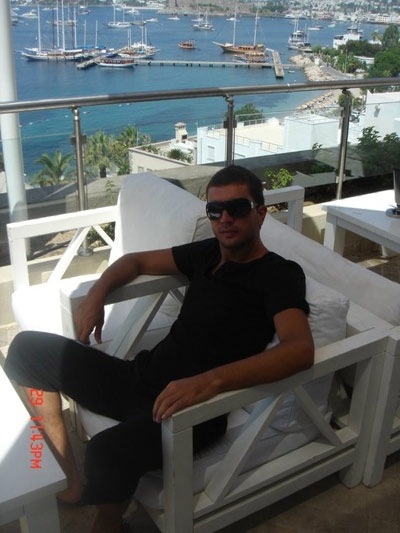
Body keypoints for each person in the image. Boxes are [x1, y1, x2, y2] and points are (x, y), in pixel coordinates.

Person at [4, 165, 314, 533]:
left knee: (105, 452)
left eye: (237, 208)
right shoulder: (207, 254)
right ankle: (69, 485)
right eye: (215, 210)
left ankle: (109, 525)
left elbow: (299, 349)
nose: (225, 219)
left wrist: (209, 382)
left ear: (260, 213)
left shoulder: (279, 274)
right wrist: (97, 295)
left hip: (193, 409)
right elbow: (134, 261)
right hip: (141, 377)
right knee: (26, 350)